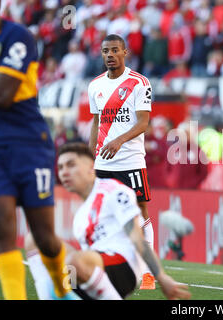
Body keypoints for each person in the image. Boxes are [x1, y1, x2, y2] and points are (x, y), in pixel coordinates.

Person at [25, 142, 191, 300]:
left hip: (124, 267)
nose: (64, 172)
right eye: (60, 167)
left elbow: (137, 237)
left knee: (73, 262)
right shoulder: (80, 216)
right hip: (96, 273)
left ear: (91, 167)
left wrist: (161, 277)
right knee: (35, 239)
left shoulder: (114, 191)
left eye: (71, 165)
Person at [0, 0, 77, 300]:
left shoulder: (17, 36)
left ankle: (62, 290)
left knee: (43, 236)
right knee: (2, 225)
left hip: (28, 142)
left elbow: (3, 94)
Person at [88, 34, 155, 289]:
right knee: (104, 217)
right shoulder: (95, 85)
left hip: (131, 161)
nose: (110, 55)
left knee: (140, 213)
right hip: (103, 164)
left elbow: (143, 122)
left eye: (115, 50)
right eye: (106, 51)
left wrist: (119, 141)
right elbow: (97, 122)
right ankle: (109, 268)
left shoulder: (139, 82)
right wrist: (89, 156)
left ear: (125, 52)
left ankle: (148, 273)